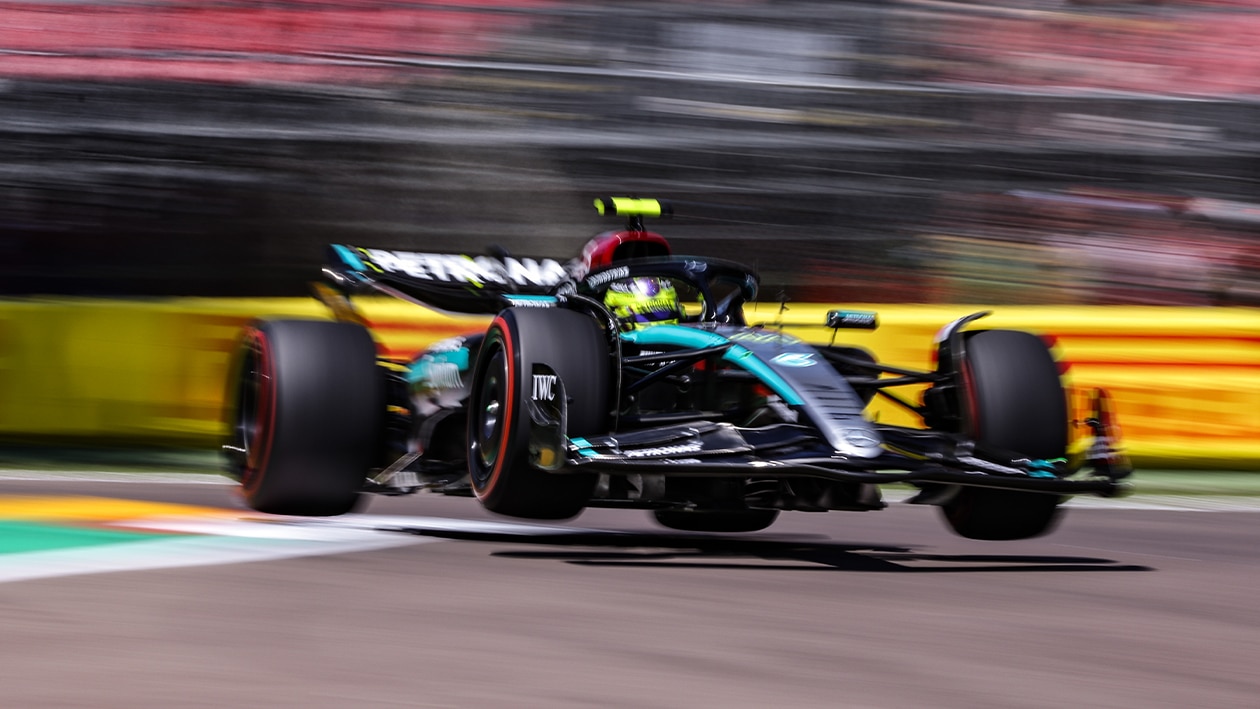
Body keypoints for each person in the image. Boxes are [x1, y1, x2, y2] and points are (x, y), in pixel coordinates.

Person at [603, 276, 683, 330]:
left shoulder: (665, 283)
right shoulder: (619, 285)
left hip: (671, 337)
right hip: (632, 343)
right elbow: (607, 311)